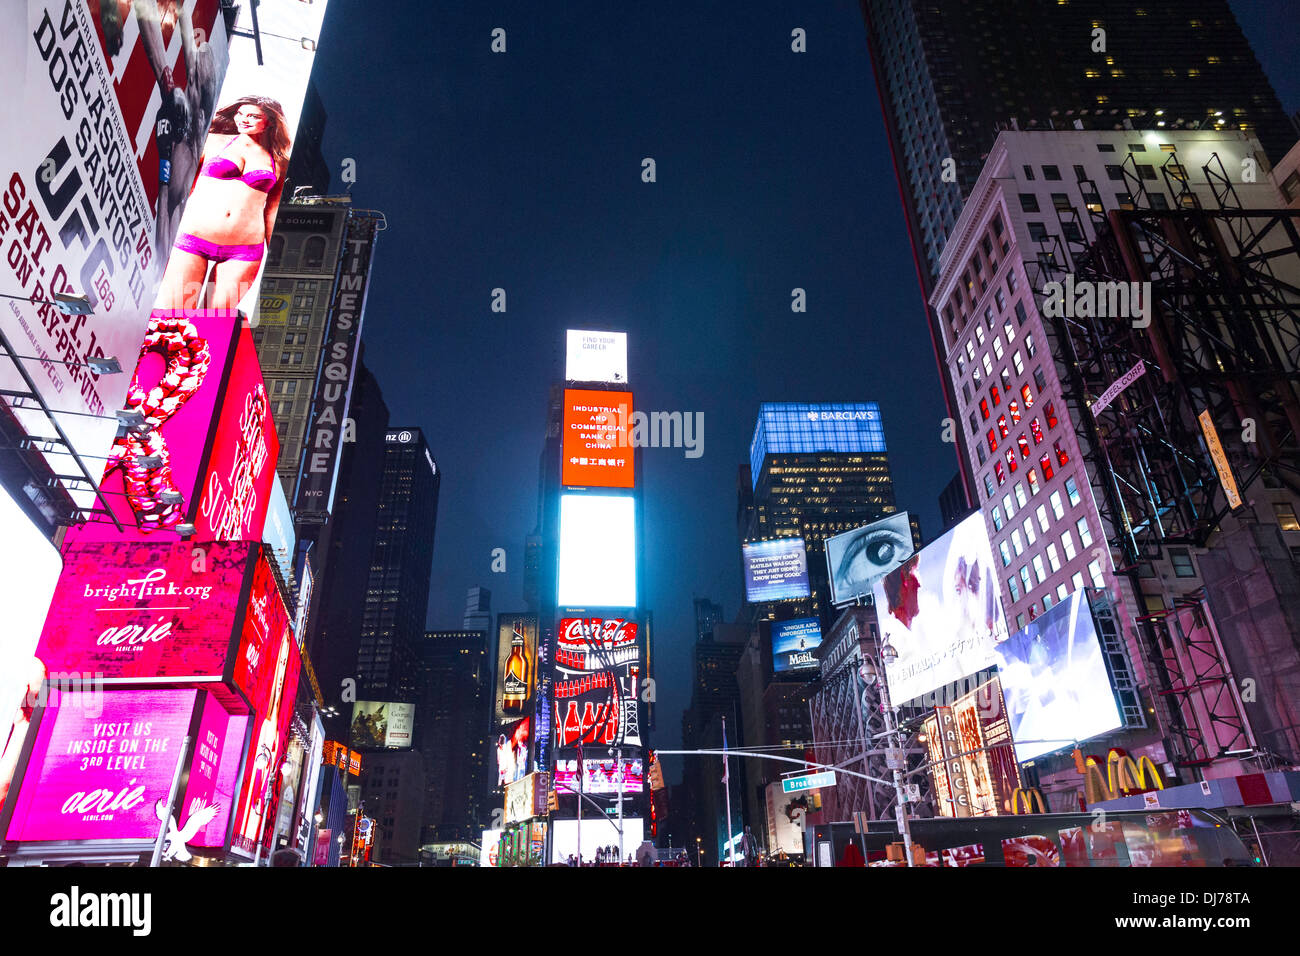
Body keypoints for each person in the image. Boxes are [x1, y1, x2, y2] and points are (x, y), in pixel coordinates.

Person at [156, 95, 290, 310]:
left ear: (270, 122)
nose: (244, 119)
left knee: (213, 326)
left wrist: (276, 259)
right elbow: (183, 186)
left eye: (253, 116)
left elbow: (272, 210)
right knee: (175, 317)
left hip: (244, 251)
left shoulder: (279, 161)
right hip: (192, 238)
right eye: (240, 113)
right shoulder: (212, 140)